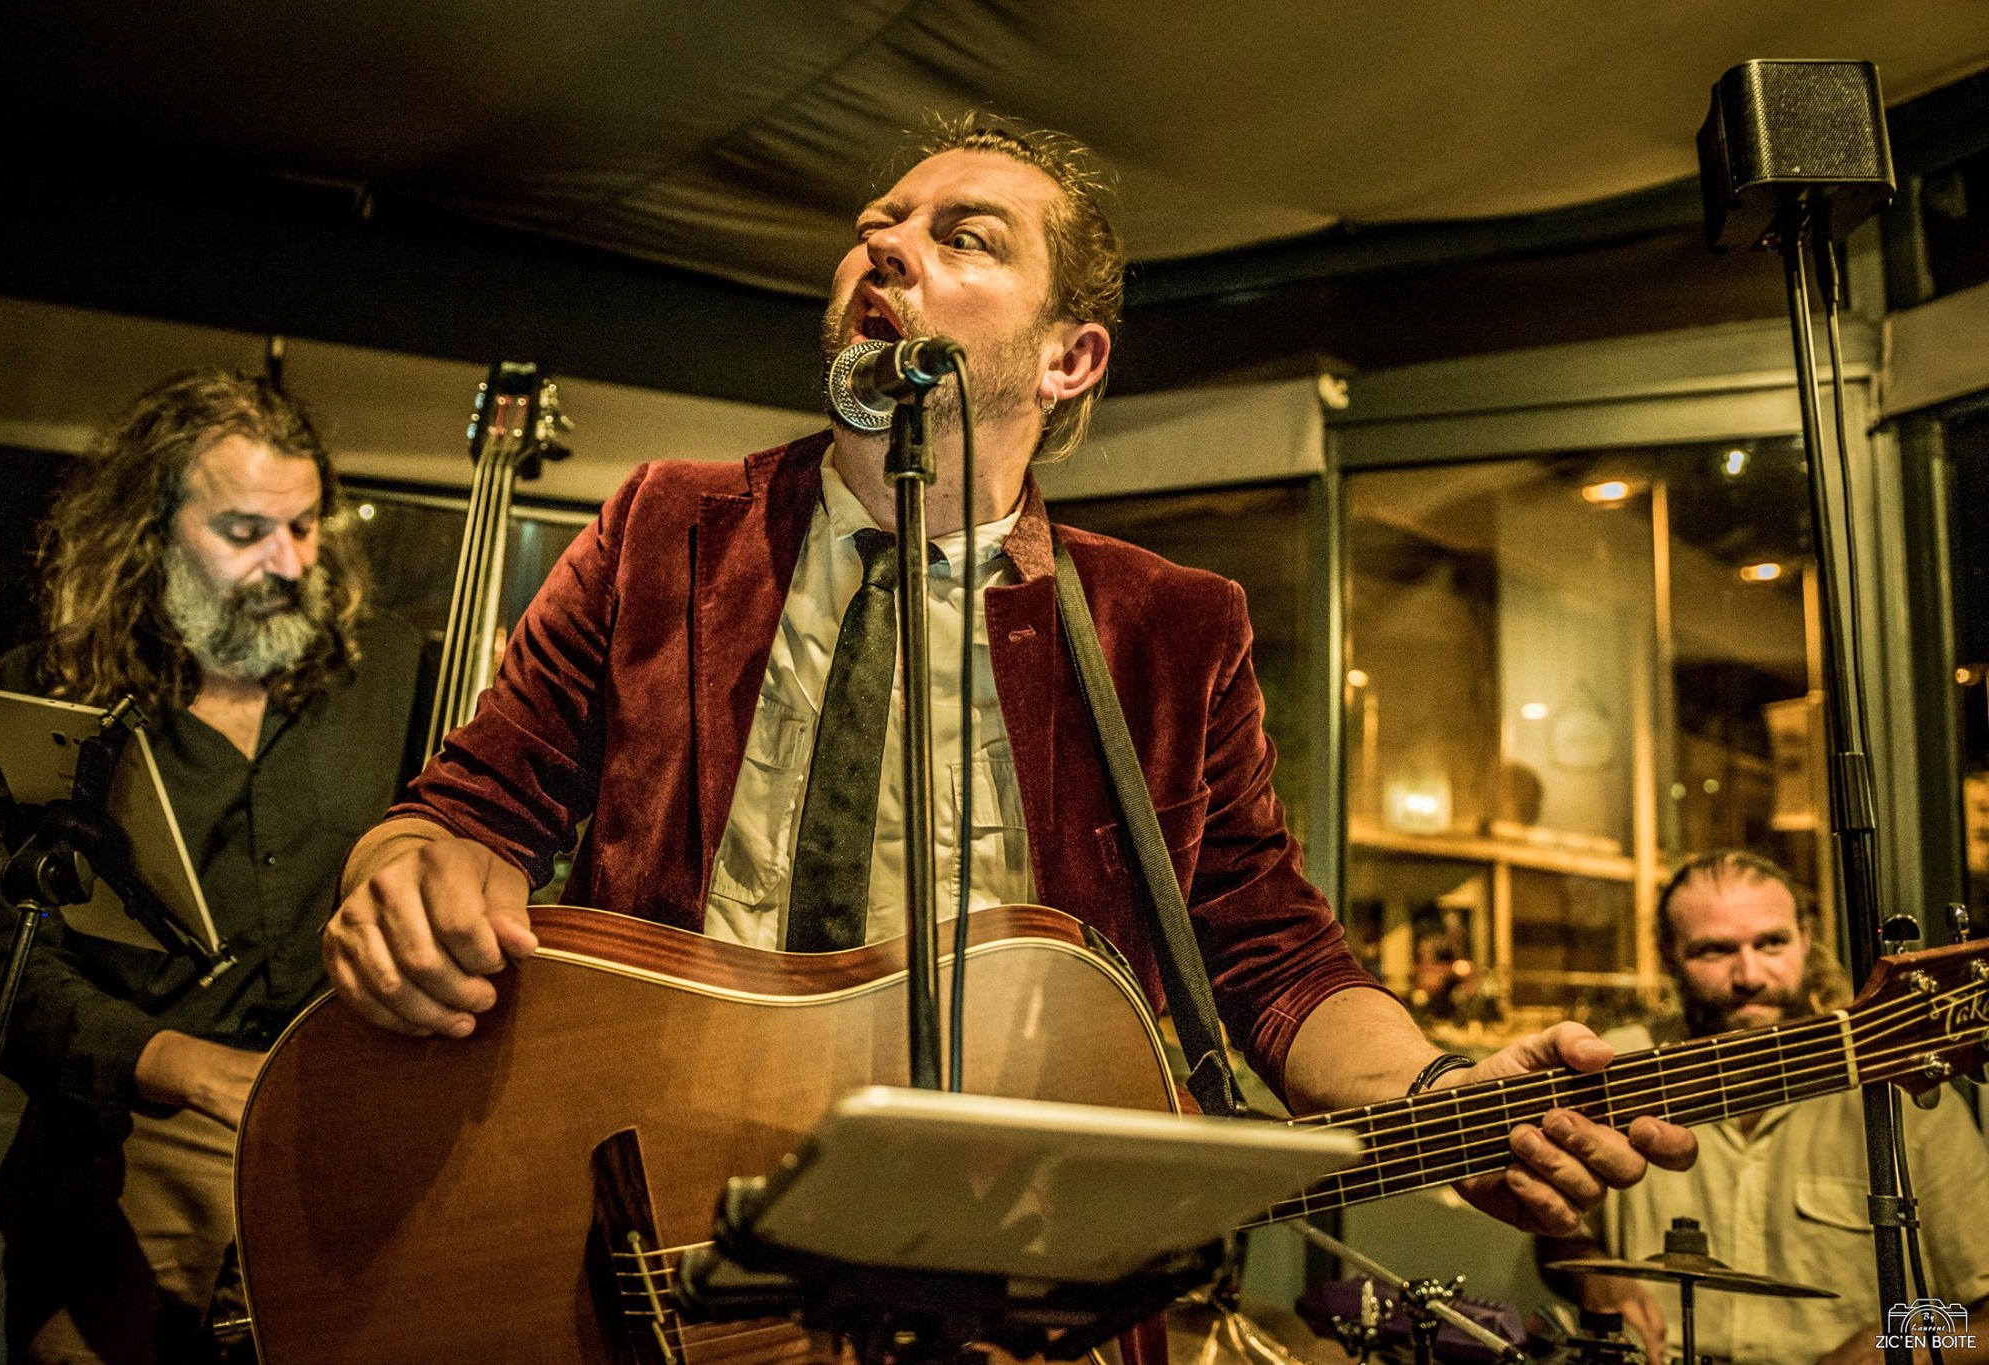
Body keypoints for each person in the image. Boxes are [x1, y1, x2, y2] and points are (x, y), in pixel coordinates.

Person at [324, 116, 1694, 1242]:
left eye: (962, 235)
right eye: (879, 222)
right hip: (649, 1219)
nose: (885, 245)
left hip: (1012, 1257)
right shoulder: (665, 530)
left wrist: (1440, 1089)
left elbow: (1268, 952)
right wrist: (405, 877)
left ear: (1068, 358)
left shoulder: (1171, 628)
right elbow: (469, 808)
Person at [0, 370, 421, 1363]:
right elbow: (1, 976)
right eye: (244, 531)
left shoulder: (387, 670)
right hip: (127, 1146)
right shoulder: (42, 699)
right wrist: (195, 1069)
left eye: (305, 527)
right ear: (151, 532)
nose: (287, 561)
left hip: (339, 1141)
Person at [1539, 850, 1989, 1365]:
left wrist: (1901, 1346)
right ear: (1666, 955)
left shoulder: (1902, 1096)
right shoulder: (1617, 1065)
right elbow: (1558, 1238)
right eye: (1714, 950)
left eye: (1772, 942)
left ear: (1806, 937)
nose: (1749, 974)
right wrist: (1597, 1281)